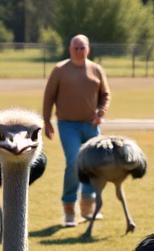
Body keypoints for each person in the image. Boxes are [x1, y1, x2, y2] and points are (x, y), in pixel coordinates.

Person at [42, 34, 111, 226]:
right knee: (73, 162)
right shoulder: (60, 70)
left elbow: (105, 94)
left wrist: (101, 113)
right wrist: (46, 120)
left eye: (82, 48)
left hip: (91, 125)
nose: (79, 51)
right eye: (76, 48)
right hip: (68, 125)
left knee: (93, 164)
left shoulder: (96, 69)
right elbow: (49, 95)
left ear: (88, 49)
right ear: (70, 49)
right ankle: (69, 208)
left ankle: (88, 206)